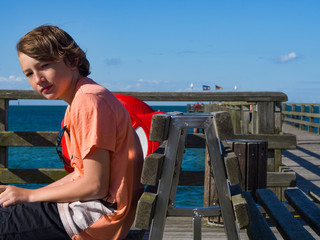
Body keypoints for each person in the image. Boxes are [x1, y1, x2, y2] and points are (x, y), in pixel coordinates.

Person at [0, 25, 144, 240]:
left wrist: (30, 195)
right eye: (29, 73)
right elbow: (80, 175)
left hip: (95, 217)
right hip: (95, 210)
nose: (37, 79)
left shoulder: (89, 100)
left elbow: (95, 185)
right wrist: (25, 196)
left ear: (72, 60)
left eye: (45, 65)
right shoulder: (80, 100)